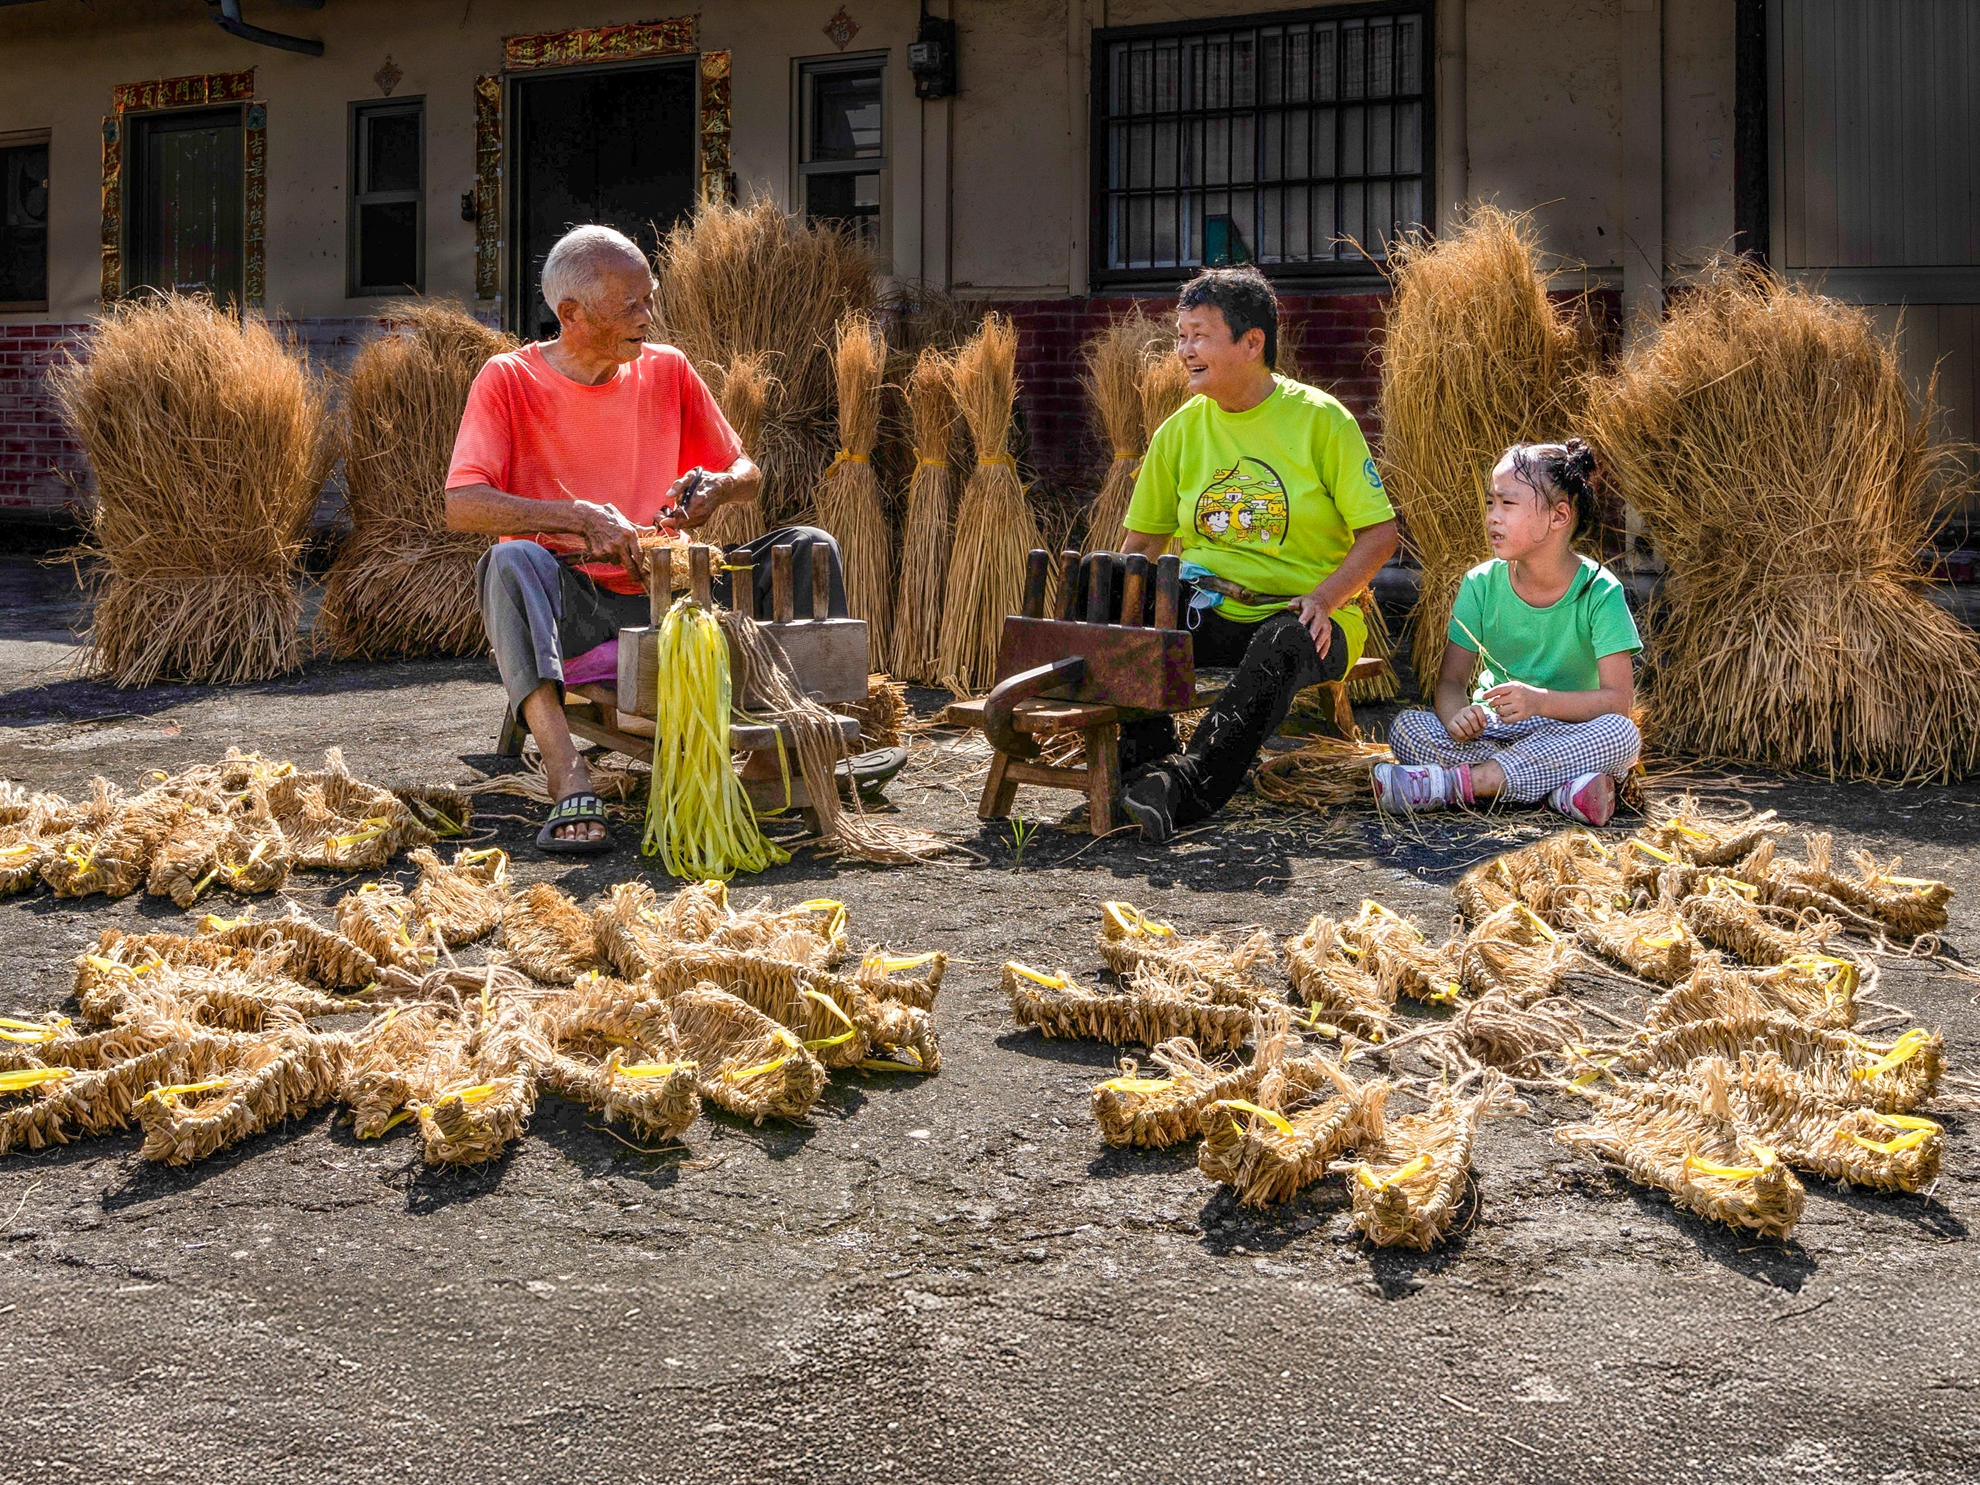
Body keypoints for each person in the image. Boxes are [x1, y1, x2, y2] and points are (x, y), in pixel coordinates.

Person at [445, 224, 847, 854]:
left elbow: (748, 473)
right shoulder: (509, 380)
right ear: (571, 315)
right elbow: (462, 504)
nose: (647, 317)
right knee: (509, 561)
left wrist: (715, 486)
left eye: (649, 298)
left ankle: (789, 749)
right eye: (629, 306)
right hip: (580, 607)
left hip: (678, 597)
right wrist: (577, 518)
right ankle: (565, 770)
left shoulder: (668, 370)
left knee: (808, 545)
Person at [1115, 265, 1401, 843]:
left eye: (1199, 336)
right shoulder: (1177, 432)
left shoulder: (1322, 422)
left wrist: (1324, 598)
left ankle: (1186, 786)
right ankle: (1145, 768)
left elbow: (1380, 535)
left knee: (1283, 640)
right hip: (1209, 609)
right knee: (1128, 608)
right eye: (1180, 336)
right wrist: (1115, 609)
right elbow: (1142, 545)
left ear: (1251, 344)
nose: (1184, 351)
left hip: (1309, 619)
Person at [1372, 439, 1642, 826]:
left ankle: (1457, 785)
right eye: (1490, 503)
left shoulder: (1599, 591)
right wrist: (1456, 718)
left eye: (1508, 504)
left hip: (1567, 731)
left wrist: (1540, 702)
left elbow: (1617, 703)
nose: (1492, 517)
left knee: (1620, 735)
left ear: (1559, 516)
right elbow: (1450, 682)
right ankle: (1560, 791)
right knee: (1408, 727)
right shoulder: (1479, 584)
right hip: (1495, 730)